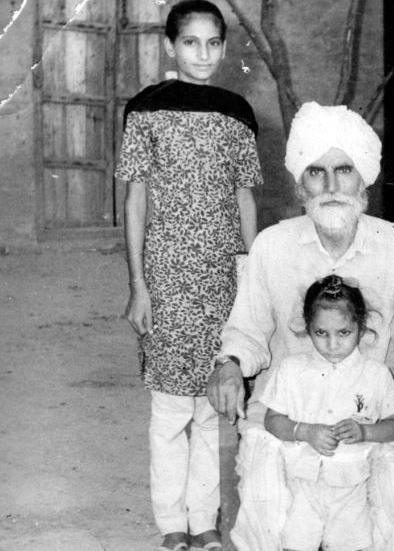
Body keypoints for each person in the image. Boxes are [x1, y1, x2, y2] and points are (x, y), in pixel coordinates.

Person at [206, 101, 394, 551]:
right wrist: (229, 363)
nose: (331, 185)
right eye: (316, 172)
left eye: (344, 170)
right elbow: (246, 331)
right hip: (285, 422)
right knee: (265, 497)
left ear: (364, 178)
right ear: (300, 183)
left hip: (367, 426)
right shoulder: (272, 245)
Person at [116, 1, 261, 549]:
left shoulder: (236, 112)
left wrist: (253, 278)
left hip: (222, 276)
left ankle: (204, 522)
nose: (204, 54)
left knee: (211, 407)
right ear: (170, 46)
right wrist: (138, 285)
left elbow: (246, 198)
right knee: (171, 409)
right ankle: (170, 524)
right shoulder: (146, 110)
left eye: (214, 43)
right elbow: (135, 199)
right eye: (192, 42)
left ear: (224, 47)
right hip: (169, 277)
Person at [261, 275, 394, 551]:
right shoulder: (292, 370)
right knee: (295, 541)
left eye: (343, 333)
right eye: (321, 333)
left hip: (352, 482)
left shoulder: (375, 373)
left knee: (349, 543)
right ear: (308, 328)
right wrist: (303, 430)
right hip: (302, 480)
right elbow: (272, 420)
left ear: (360, 328)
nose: (332, 344)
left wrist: (365, 431)